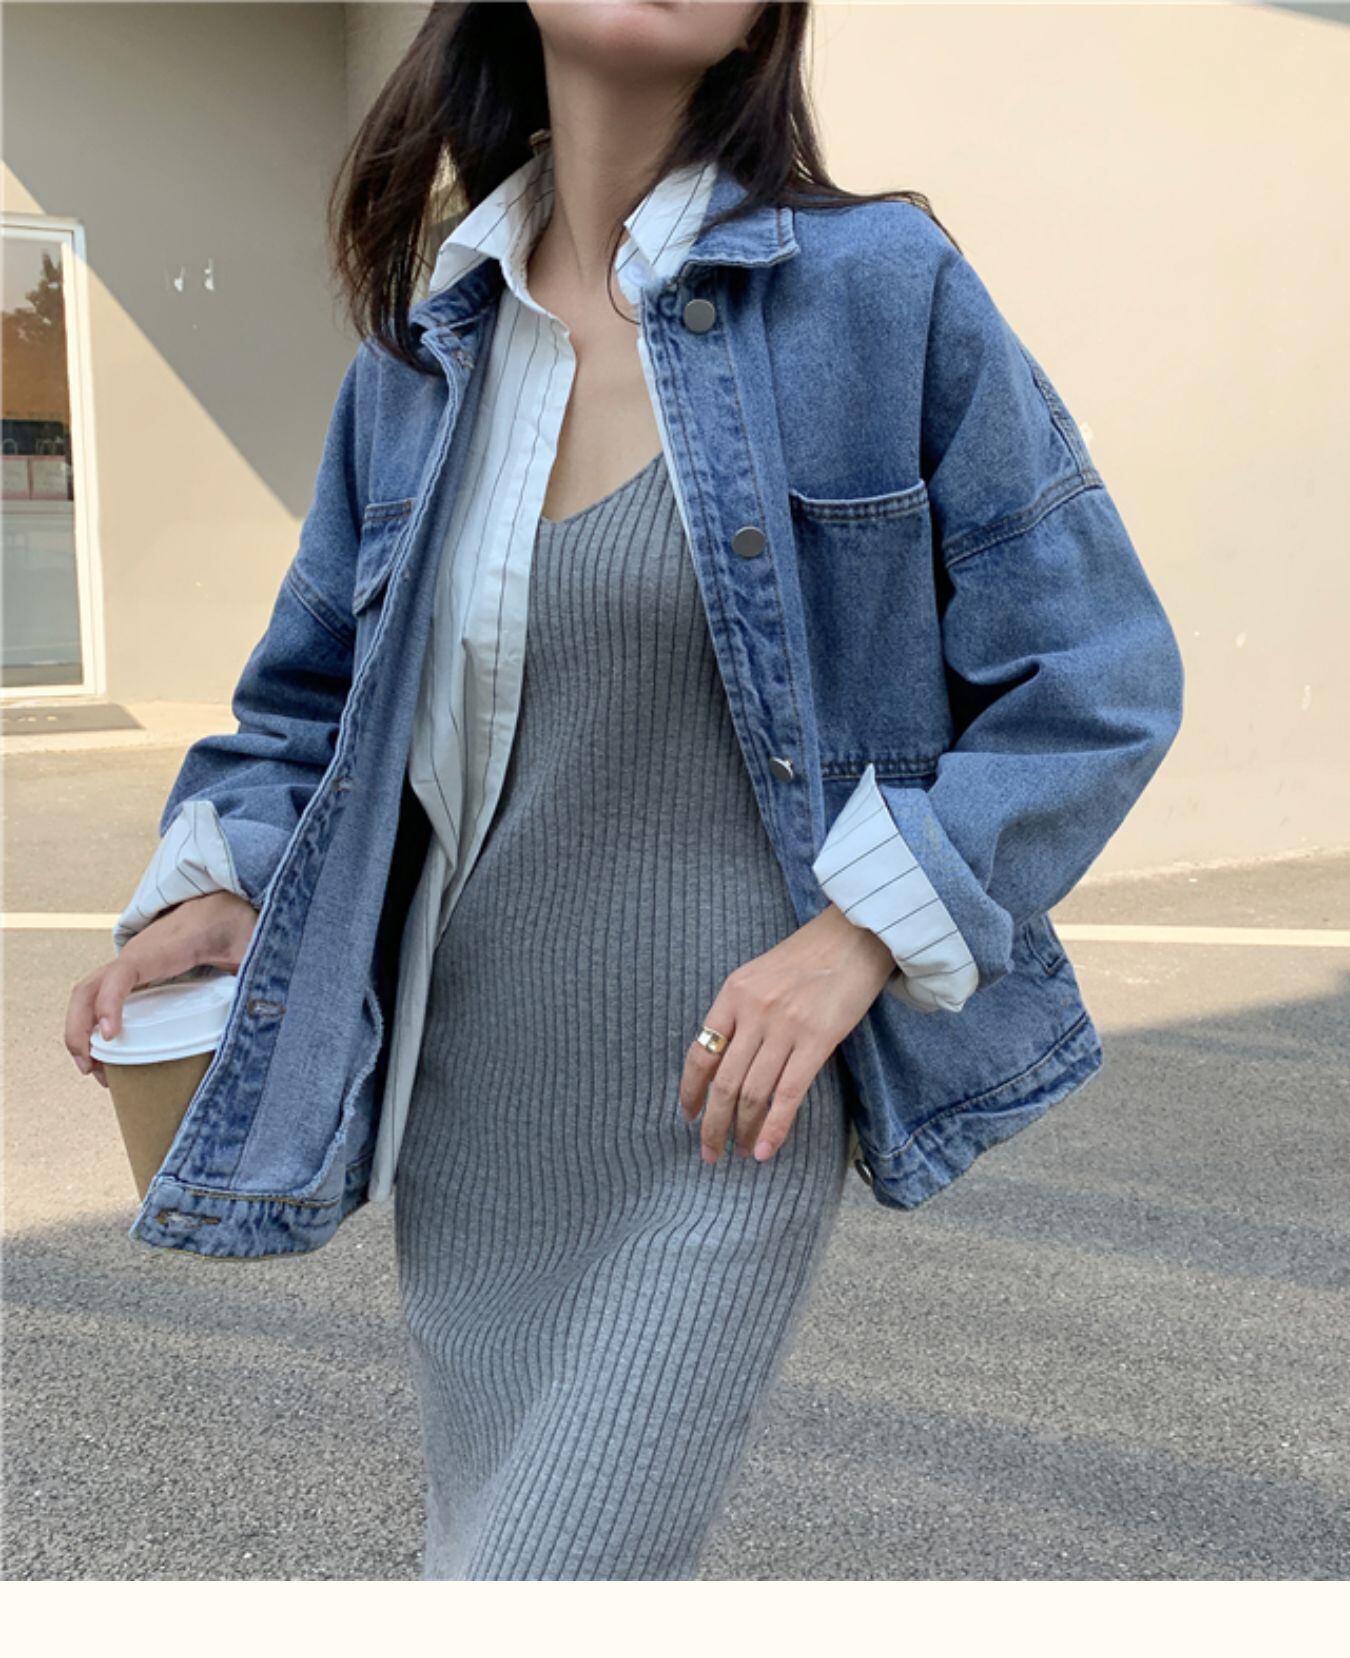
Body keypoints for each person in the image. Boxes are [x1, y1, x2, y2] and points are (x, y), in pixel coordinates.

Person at [64, 0, 1184, 1579]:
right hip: (472, 1124)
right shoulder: (422, 357)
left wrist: (857, 932)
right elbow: (304, 707)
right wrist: (217, 883)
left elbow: (1096, 677)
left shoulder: (877, 294)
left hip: (718, 1118)